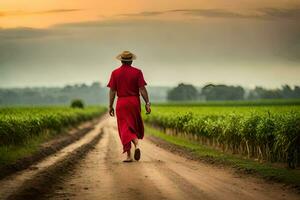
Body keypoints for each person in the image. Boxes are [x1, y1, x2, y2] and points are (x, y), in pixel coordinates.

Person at [107, 51, 151, 162]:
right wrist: (147, 103)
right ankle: (137, 145)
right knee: (132, 126)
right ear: (131, 61)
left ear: (121, 61)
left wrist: (110, 106)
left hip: (121, 102)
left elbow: (112, 91)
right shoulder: (137, 72)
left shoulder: (115, 73)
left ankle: (129, 155)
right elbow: (142, 89)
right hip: (134, 102)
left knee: (124, 128)